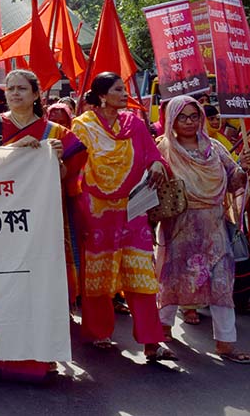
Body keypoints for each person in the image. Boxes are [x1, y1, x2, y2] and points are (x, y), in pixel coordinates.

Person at [0, 69, 87, 381]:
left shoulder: (57, 133)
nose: (14, 94)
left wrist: (58, 162)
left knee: (42, 286)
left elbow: (67, 177)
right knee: (7, 286)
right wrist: (15, 151)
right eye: (10, 89)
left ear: (36, 94)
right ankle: (5, 355)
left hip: (43, 226)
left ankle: (42, 355)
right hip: (3, 223)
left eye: (22, 88)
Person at [71, 72, 175, 362]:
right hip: (96, 212)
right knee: (98, 274)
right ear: (102, 95)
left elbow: (153, 153)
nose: (124, 94)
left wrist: (156, 164)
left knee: (141, 274)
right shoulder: (83, 126)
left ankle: (153, 342)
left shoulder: (134, 123)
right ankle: (98, 332)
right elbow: (73, 166)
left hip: (133, 210)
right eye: (118, 89)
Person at [155, 96, 249, 362]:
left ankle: (226, 343)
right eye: (182, 117)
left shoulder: (215, 148)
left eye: (194, 116)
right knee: (172, 281)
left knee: (221, 283)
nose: (188, 122)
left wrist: (244, 167)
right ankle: (162, 333)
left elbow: (234, 180)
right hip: (179, 228)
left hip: (215, 227)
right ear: (172, 120)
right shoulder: (163, 149)